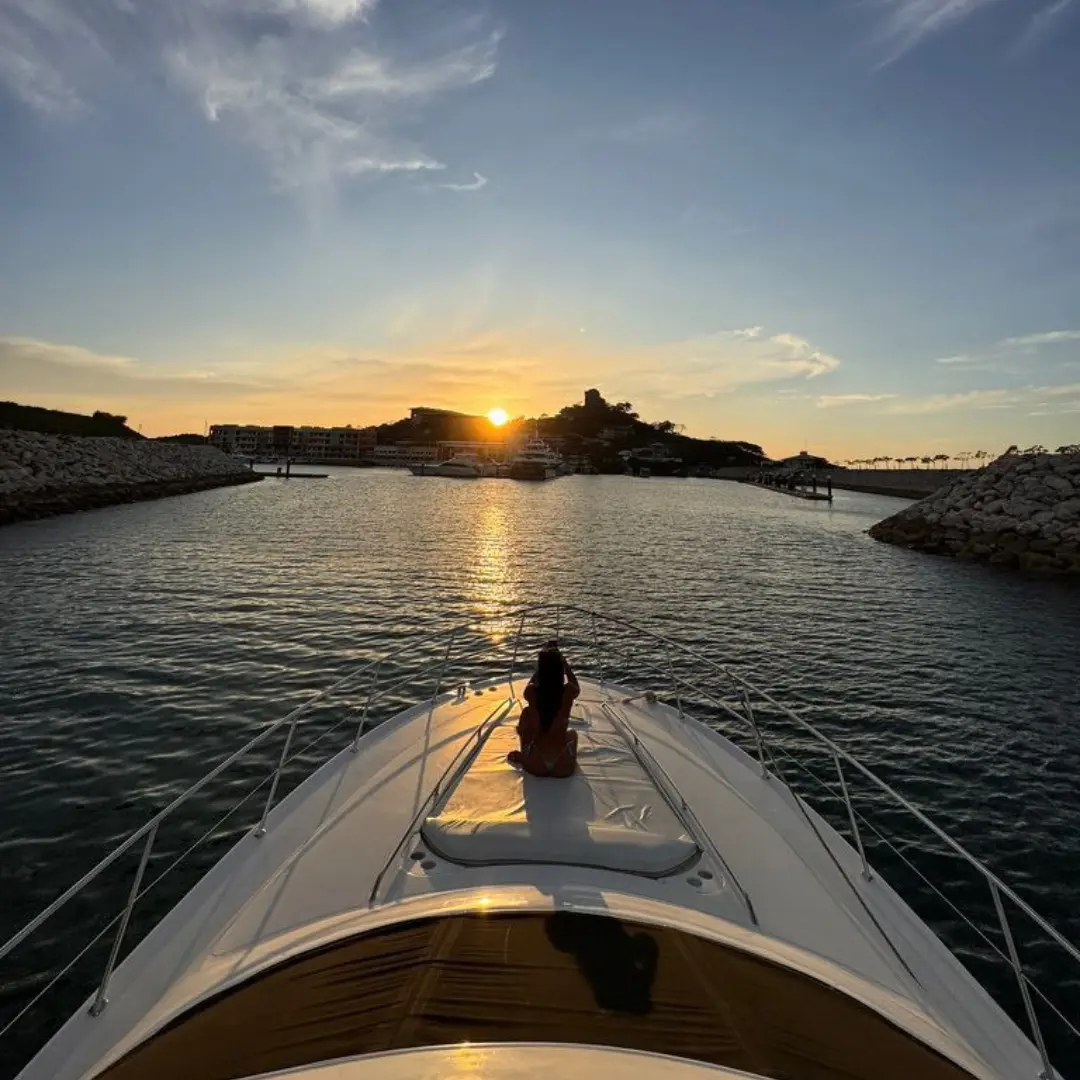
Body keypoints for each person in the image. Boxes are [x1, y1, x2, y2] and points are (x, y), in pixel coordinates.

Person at [507, 641, 580, 778]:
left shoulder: (531, 692)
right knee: (572, 734)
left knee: (527, 714)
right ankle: (567, 754)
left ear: (541, 670)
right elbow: (576, 686)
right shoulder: (569, 691)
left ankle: (524, 755)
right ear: (560, 670)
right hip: (562, 766)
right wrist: (565, 665)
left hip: (537, 764)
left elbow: (530, 685)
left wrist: (540, 669)